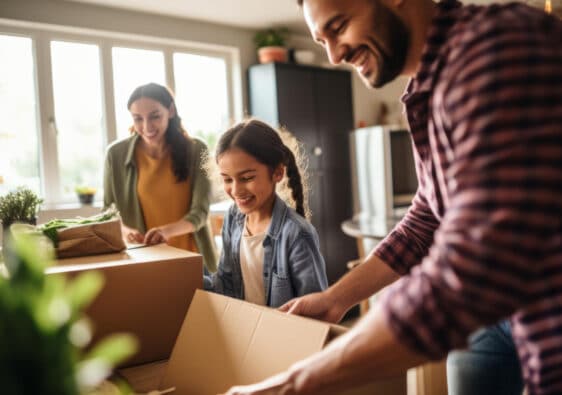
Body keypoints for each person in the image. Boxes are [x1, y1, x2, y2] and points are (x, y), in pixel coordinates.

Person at [221, 0, 562, 394]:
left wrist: (293, 384)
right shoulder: (430, 87)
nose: (334, 55)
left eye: (340, 26)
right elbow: (426, 220)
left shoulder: (495, 51)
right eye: (322, 40)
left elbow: (474, 270)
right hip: (494, 319)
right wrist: (336, 299)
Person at [204, 119, 328, 307]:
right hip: (244, 332)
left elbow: (316, 308)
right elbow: (225, 284)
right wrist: (187, 278)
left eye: (247, 178)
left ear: (277, 173)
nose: (236, 190)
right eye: (228, 179)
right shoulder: (233, 218)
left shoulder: (297, 234)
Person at [103, 82, 217, 272]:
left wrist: (165, 232)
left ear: (170, 111)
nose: (146, 126)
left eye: (155, 116)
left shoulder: (197, 150)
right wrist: (126, 231)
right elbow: (108, 212)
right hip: (144, 261)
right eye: (138, 118)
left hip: (194, 261)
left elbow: (201, 212)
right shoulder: (116, 154)